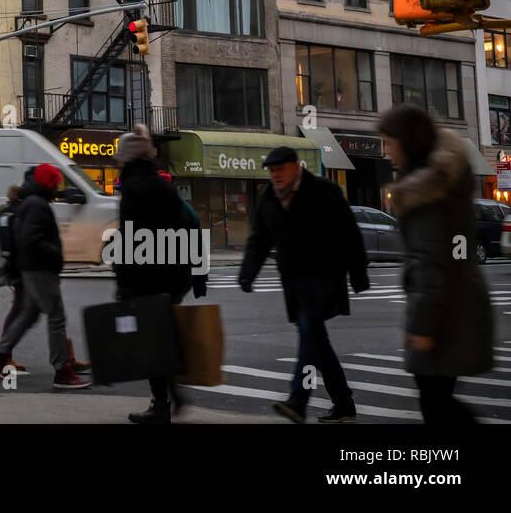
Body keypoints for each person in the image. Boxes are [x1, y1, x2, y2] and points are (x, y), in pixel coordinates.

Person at [378, 105, 494, 425]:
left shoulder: (425, 195)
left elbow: (432, 264)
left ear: (408, 141)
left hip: (443, 314)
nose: (385, 152)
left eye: (389, 143)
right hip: (456, 305)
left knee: (436, 404)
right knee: (438, 400)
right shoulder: (442, 183)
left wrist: (423, 326)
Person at [239, 147, 368, 423]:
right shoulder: (269, 198)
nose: (275, 175)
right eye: (271, 171)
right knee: (317, 341)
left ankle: (298, 400)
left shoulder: (324, 191)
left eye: (280, 169)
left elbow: (349, 233)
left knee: (310, 330)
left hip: (325, 277)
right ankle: (343, 402)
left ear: (296, 168)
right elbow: (259, 239)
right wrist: (248, 274)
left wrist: (358, 274)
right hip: (296, 284)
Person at [112, 125, 207, 424]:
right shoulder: (162, 184)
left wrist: (123, 280)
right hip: (173, 275)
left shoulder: (134, 189)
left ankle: (162, 404)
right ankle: (169, 397)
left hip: (149, 277)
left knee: (151, 344)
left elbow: (130, 239)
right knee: (159, 338)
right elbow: (190, 223)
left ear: (126, 159)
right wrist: (198, 271)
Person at [0, 163, 91, 389]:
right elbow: (30, 239)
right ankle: (62, 370)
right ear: (48, 184)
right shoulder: (37, 205)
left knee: (28, 315)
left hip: (31, 269)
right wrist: (54, 254)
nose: (58, 188)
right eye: (56, 184)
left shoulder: (30, 202)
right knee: (56, 317)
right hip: (40, 269)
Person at [0, 182, 29, 374]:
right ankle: (4, 355)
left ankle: (5, 355)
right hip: (21, 268)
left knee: (18, 308)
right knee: (19, 309)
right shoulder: (18, 212)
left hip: (10, 266)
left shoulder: (3, 211)